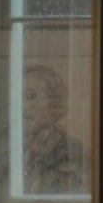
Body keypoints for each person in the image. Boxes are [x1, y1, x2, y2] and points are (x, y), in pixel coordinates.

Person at [22, 64, 84, 194]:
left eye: (29, 97)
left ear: (54, 103)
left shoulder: (73, 153)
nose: (23, 105)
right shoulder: (6, 148)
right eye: (19, 97)